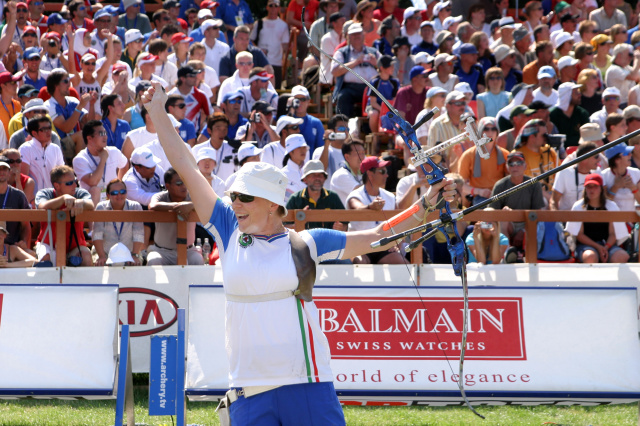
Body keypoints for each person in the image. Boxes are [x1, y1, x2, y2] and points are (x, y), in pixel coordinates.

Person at [35, 164, 94, 266]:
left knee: (86, 256)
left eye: (75, 181)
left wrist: (81, 203)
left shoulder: (79, 193)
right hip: (48, 245)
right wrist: (63, 198)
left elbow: (91, 204)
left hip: (75, 246)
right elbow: (41, 206)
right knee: (45, 259)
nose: (75, 185)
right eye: (70, 183)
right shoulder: (45, 193)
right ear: (57, 185)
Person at [566, 173, 629, 263]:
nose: (591, 190)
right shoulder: (579, 206)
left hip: (607, 245)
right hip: (585, 246)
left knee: (622, 256)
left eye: (595, 186)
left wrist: (605, 247)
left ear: (601, 189)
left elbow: (613, 233)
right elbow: (579, 235)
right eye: (589, 186)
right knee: (590, 257)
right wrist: (598, 247)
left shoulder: (611, 206)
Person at [146, 168, 204, 266]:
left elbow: (206, 205)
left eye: (185, 182)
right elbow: (152, 206)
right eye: (179, 183)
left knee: (198, 260)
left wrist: (191, 205)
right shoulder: (160, 196)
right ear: (167, 186)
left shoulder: (193, 196)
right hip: (162, 251)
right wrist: (178, 206)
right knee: (153, 261)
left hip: (188, 251)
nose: (184, 186)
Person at [490, 151, 545, 251]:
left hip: (528, 222)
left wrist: (523, 231)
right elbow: (491, 212)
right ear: (507, 167)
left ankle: (531, 254)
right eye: (511, 164)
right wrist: (504, 213)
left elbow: (538, 212)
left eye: (519, 163)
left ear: (525, 166)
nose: (515, 167)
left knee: (537, 221)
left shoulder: (534, 184)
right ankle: (506, 252)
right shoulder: (500, 185)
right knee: (503, 217)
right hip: (507, 225)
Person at [73, 120, 128, 206]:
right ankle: (92, 219)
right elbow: (93, 182)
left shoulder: (113, 151)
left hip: (111, 197)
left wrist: (118, 182)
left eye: (105, 133)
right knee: (95, 190)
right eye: (101, 134)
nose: (105, 137)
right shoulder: (80, 159)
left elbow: (124, 164)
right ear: (89, 139)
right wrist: (103, 159)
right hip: (92, 202)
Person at [331, 23, 379, 118]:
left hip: (371, 88)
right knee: (343, 97)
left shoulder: (374, 52)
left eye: (359, 34)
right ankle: (343, 128)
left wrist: (376, 63)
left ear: (363, 35)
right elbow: (335, 71)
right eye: (353, 34)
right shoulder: (341, 52)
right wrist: (356, 62)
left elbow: (387, 69)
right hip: (349, 88)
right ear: (348, 37)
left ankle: (371, 128)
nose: (356, 36)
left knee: (382, 96)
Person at [92, 178, 144, 266]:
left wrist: (135, 255)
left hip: (130, 253)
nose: (119, 195)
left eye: (122, 192)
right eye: (114, 193)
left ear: (126, 193)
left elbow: (138, 234)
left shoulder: (135, 206)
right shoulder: (101, 207)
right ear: (108, 195)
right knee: (100, 265)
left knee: (135, 265)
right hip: (104, 252)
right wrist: (101, 256)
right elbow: (97, 235)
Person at [458, 117, 508, 205]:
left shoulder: (505, 154)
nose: (490, 132)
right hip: (478, 197)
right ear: (480, 132)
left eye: (493, 129)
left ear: (497, 132)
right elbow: (460, 184)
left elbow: (510, 180)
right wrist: (479, 191)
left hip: (500, 195)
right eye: (486, 129)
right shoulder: (468, 155)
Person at [286, 159, 347, 231]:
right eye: (313, 175)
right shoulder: (295, 199)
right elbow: (283, 225)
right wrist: (299, 223)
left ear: (324, 178)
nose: (317, 178)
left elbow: (345, 224)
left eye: (320, 175)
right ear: (305, 179)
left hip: (328, 241)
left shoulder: (333, 197)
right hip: (302, 241)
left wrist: (341, 227)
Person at [19, 116, 65, 192]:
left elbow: (62, 175)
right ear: (34, 133)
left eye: (49, 128)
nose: (49, 131)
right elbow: (23, 179)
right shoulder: (25, 149)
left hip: (53, 198)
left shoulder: (55, 148)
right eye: (44, 129)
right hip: (33, 200)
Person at [250, 0, 289, 89]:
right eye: (271, 5)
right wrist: (258, 50)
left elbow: (285, 45)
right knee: (258, 87)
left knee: (274, 89)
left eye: (276, 5)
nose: (273, 8)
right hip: (260, 62)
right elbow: (251, 40)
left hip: (276, 63)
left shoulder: (283, 25)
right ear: (267, 7)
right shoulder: (259, 23)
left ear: (279, 8)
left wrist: (285, 60)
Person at [552, 141, 600, 211]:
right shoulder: (564, 173)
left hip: (590, 219)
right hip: (566, 219)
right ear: (585, 159)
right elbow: (554, 201)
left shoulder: (598, 172)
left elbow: (604, 199)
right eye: (596, 157)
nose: (599, 160)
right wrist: (557, 220)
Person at [192, 113, 238, 182]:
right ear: (209, 130)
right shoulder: (197, 150)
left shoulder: (232, 150)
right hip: (203, 190)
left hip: (225, 191)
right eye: (218, 129)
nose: (222, 133)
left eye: (225, 129)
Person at [168, 65, 211, 134]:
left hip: (195, 135)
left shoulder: (202, 95)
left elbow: (210, 115)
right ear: (182, 78)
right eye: (191, 76)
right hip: (172, 134)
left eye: (195, 75)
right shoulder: (170, 96)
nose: (195, 77)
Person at [0, 155, 31, 249]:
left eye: (4, 169)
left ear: (9, 173)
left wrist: (24, 243)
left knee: (34, 261)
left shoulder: (19, 196)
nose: (1, 172)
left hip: (13, 248)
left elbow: (26, 226)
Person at [549, 82, 590, 148]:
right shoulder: (552, 115)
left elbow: (587, 137)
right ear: (567, 95)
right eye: (576, 93)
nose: (579, 95)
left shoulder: (582, 113)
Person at [602, 143, 640, 211]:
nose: (630, 155)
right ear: (617, 160)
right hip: (611, 220)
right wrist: (615, 187)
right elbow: (604, 205)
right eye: (627, 153)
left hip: (630, 220)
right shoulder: (603, 175)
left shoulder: (636, 173)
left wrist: (633, 188)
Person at [289, 85, 325, 155]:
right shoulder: (285, 120)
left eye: (303, 99)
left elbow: (321, 150)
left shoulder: (316, 123)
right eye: (296, 99)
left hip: (310, 165)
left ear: (308, 101)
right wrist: (290, 112)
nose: (299, 102)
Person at [330, 139, 365, 205]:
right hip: (341, 215)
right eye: (358, 153)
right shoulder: (341, 175)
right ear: (347, 157)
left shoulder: (360, 173)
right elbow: (364, 192)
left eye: (363, 153)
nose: (362, 157)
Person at [281, 134, 309, 202]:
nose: (303, 150)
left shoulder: (310, 171)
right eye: (299, 147)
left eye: (304, 147)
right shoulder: (282, 174)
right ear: (290, 152)